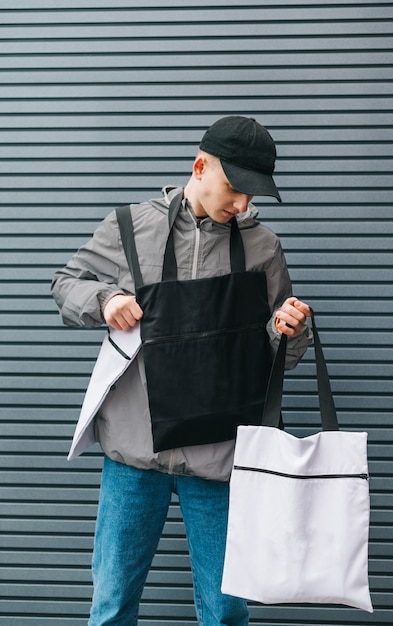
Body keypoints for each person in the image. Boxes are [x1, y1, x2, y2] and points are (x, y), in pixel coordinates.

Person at [51, 115, 312, 626]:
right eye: (236, 189)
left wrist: (287, 331)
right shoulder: (129, 226)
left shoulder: (264, 248)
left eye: (251, 195)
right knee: (111, 606)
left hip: (220, 459)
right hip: (133, 453)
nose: (242, 205)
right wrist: (104, 300)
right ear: (200, 167)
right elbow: (65, 283)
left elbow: (277, 355)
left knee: (225, 611)